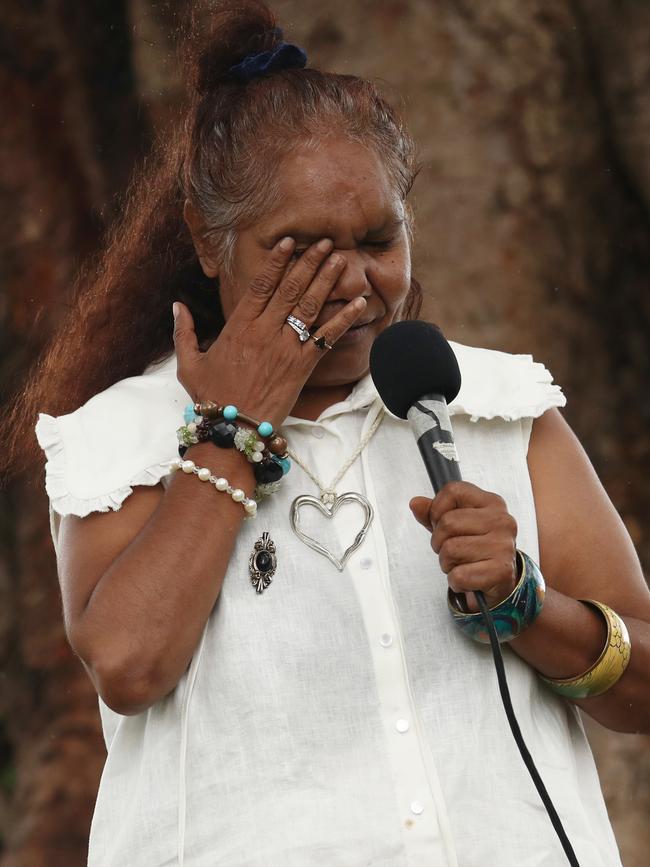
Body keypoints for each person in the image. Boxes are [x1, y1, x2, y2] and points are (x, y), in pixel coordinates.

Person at [26, 2, 649, 865]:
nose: (352, 282)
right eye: (301, 248)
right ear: (212, 242)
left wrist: (524, 601)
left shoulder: (497, 409)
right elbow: (129, 665)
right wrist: (232, 433)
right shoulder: (124, 437)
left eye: (377, 238)